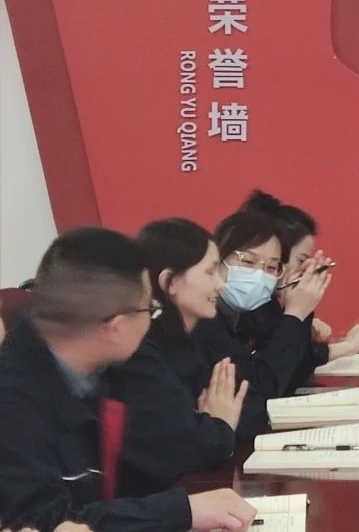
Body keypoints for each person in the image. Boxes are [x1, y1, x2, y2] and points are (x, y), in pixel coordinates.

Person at [0, 227, 255, 531]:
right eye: (150, 309)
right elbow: (50, 523)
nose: (151, 321)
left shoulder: (87, 371)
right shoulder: (14, 401)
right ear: (116, 326)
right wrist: (183, 510)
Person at [105, 219, 245, 495]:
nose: (221, 284)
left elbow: (241, 408)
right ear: (169, 282)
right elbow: (199, 445)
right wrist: (219, 425)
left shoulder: (192, 336)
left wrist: (215, 425)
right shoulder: (138, 355)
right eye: (210, 272)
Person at [189, 211, 334, 438]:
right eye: (247, 262)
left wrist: (298, 311)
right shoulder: (203, 320)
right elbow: (262, 389)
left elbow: (292, 373)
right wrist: (294, 314)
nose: (259, 275)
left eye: (271, 268)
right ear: (217, 260)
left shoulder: (246, 312)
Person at [238, 190, 359, 388]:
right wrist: (296, 314)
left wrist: (301, 315)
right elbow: (271, 380)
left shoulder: (269, 304)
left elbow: (296, 363)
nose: (304, 270)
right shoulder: (244, 306)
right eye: (301, 261)